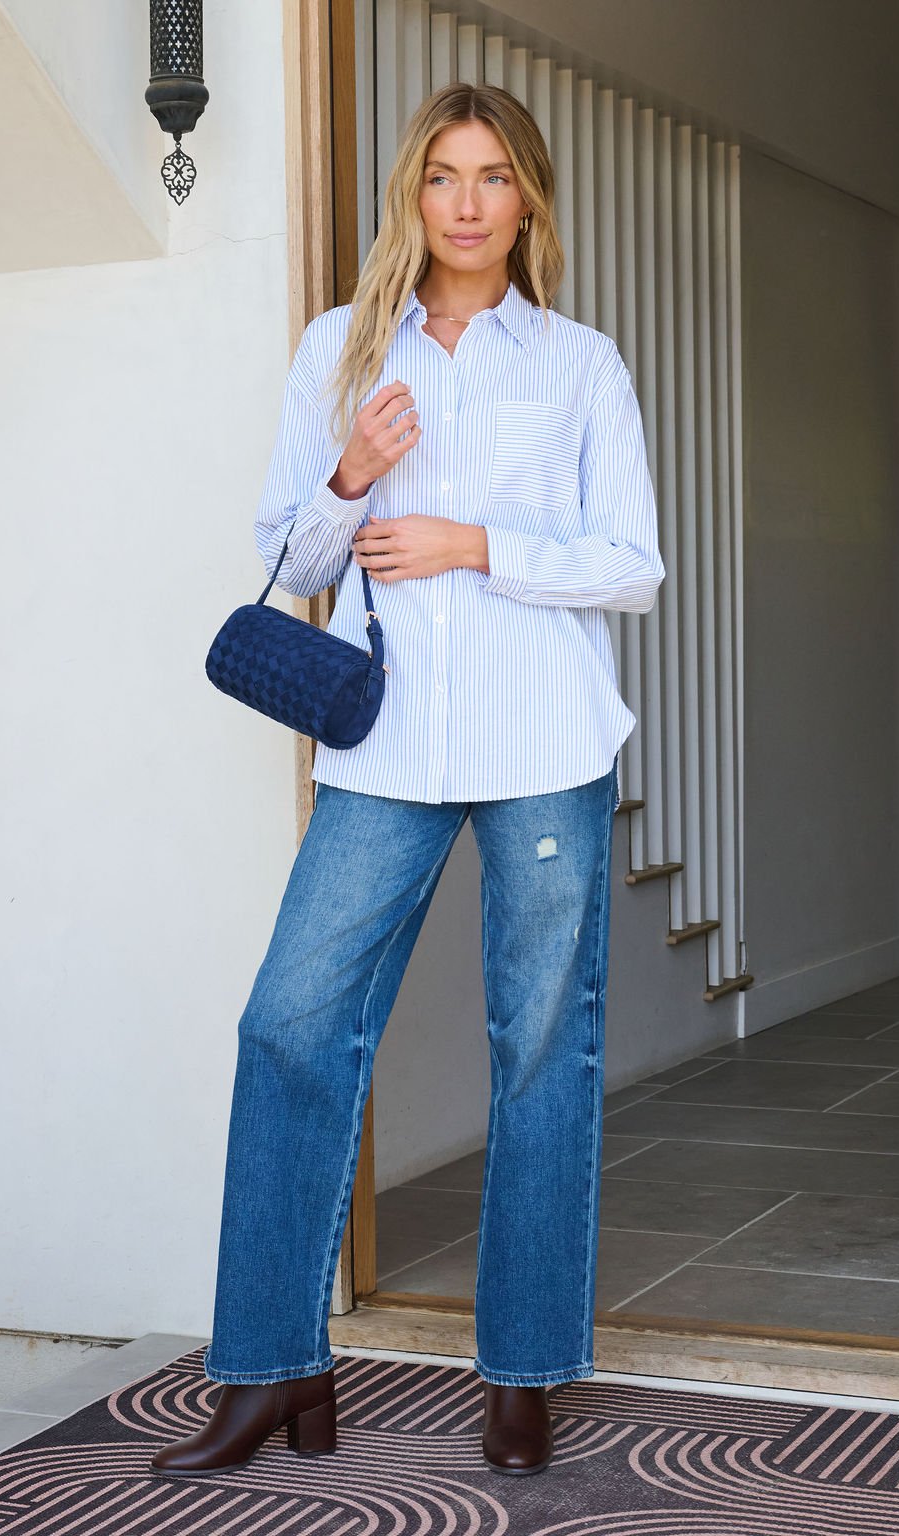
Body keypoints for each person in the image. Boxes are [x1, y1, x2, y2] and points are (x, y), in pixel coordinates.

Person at [152, 80, 664, 1481]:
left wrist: (469, 542)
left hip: (545, 749)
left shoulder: (580, 365)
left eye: (495, 177)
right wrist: (349, 472)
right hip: (384, 748)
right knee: (291, 1028)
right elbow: (294, 562)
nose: (467, 203)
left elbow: (634, 563)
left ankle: (526, 1374)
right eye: (443, 176)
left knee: (541, 1052)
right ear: (413, 196)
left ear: (528, 200)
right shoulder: (341, 346)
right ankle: (268, 1371)